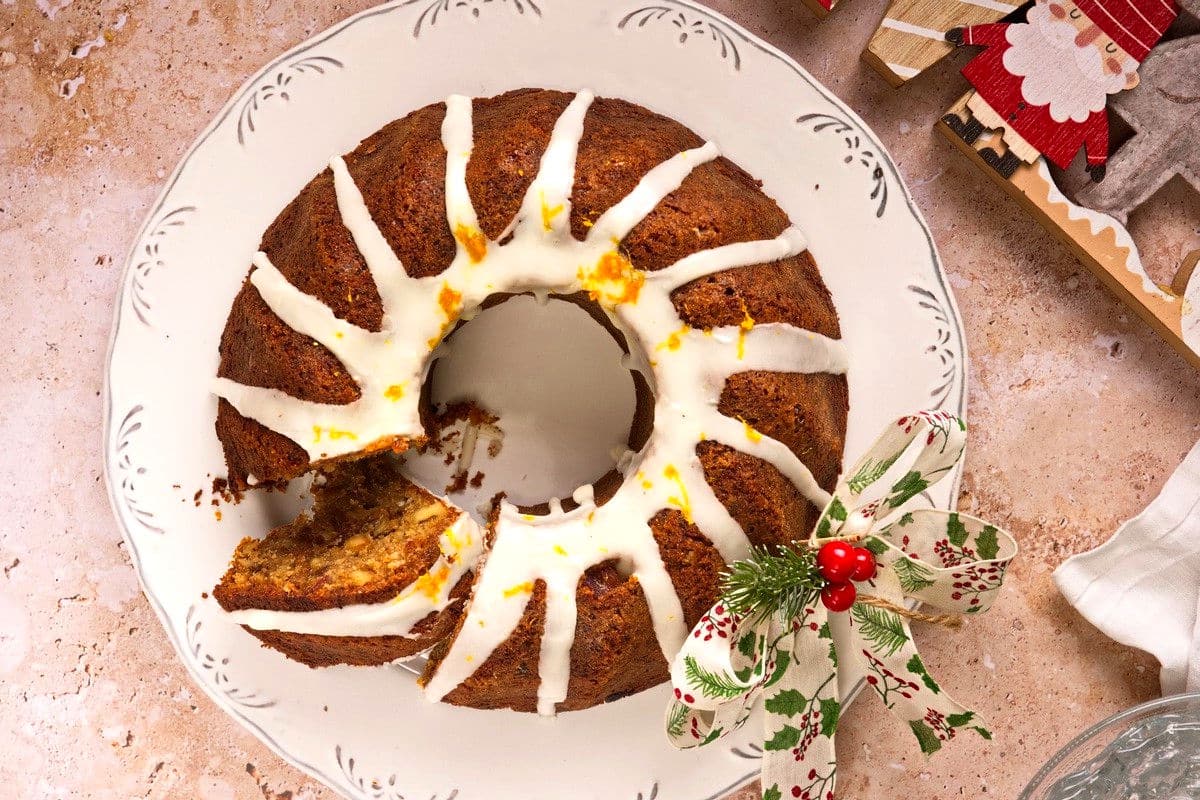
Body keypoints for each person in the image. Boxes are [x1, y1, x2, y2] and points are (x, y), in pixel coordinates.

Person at [943, 0, 1178, 180]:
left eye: (1106, 46)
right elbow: (1000, 34)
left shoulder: (1088, 98)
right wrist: (967, 35)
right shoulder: (1025, 39)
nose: (1082, 42)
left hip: (1038, 129)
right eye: (1075, 16)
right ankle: (969, 128)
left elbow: (1096, 125)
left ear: (1122, 71)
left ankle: (1006, 163)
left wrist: (1096, 159)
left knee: (1022, 145)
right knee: (983, 111)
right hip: (998, 95)